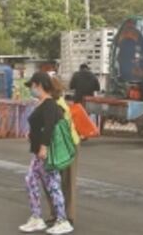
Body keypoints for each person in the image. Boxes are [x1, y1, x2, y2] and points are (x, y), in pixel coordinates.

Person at [20, 71, 73, 234]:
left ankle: (62, 220)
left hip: (45, 153)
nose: (32, 89)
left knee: (53, 185)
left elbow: (49, 127)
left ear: (40, 85)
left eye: (33, 86)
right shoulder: (42, 103)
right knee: (32, 180)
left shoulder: (49, 104)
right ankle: (37, 217)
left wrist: (44, 147)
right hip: (39, 152)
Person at [45, 76, 81, 227]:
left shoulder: (57, 106)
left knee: (67, 182)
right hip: (59, 145)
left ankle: (68, 216)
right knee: (53, 181)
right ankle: (57, 214)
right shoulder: (54, 104)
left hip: (68, 145)